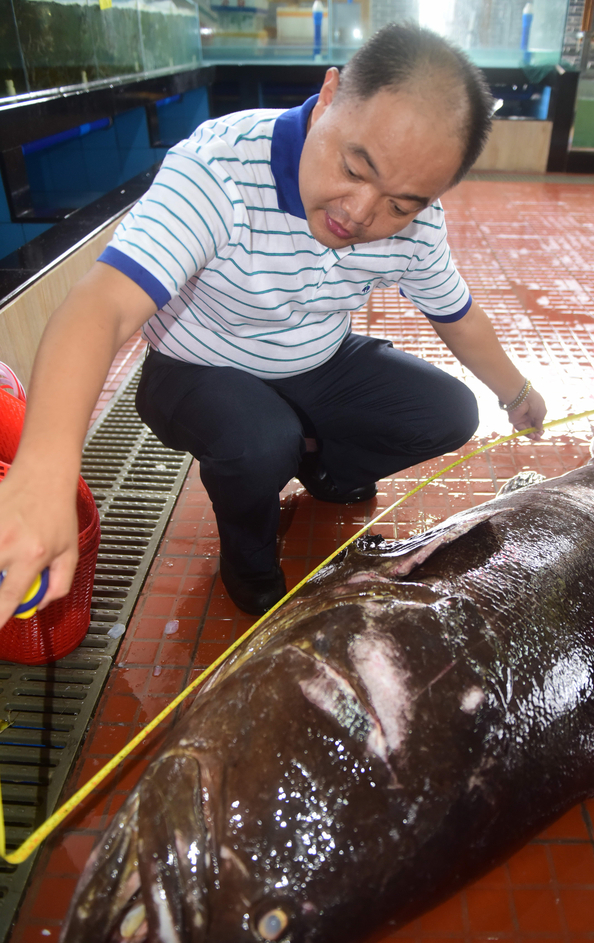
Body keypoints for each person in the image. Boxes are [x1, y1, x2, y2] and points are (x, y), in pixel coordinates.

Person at [0, 23, 546, 626]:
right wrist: (44, 471)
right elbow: (100, 305)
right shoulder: (219, 167)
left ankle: (324, 468)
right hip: (197, 367)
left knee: (450, 413)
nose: (359, 214)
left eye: (399, 203)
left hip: (316, 360)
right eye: (356, 169)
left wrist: (516, 393)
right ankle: (249, 564)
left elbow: (458, 314)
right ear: (329, 96)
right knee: (260, 442)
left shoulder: (420, 223)